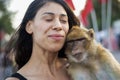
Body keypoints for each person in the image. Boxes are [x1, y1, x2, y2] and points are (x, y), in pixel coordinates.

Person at [5, 0, 80, 80]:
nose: (58, 26)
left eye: (63, 21)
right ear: (29, 26)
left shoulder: (79, 67)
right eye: (48, 19)